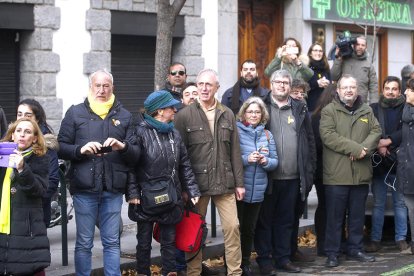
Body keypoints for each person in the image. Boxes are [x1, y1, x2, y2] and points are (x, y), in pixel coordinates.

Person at [57, 69, 137, 276]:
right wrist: (79, 150)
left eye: (106, 85)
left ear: (112, 88)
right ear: (90, 87)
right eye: (97, 85)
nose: (101, 90)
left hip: (112, 189)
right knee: (84, 243)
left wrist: (123, 146)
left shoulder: (125, 116)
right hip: (84, 189)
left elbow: (136, 154)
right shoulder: (75, 113)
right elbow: (60, 146)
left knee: (112, 242)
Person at [175, 68, 245, 276]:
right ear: (196, 86)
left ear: (217, 88)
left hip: (225, 181)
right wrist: (184, 188)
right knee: (194, 231)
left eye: (208, 85)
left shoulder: (227, 113)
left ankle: (235, 272)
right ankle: (193, 272)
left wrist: (239, 183)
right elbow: (180, 156)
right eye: (200, 84)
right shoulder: (184, 115)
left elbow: (235, 150)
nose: (204, 88)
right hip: (197, 185)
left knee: (233, 228)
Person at [127, 90, 200, 276]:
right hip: (145, 198)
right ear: (160, 111)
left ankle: (170, 272)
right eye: (171, 107)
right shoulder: (139, 132)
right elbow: (131, 167)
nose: (175, 110)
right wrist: (133, 193)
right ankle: (143, 272)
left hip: (171, 195)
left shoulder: (174, 134)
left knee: (169, 241)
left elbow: (184, 164)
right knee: (143, 243)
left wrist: (192, 190)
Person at [254, 69, 316, 275]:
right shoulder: (260, 106)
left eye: (285, 83)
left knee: (286, 221)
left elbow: (309, 140)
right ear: (271, 83)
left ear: (290, 86)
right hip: (267, 177)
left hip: (292, 177)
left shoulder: (299, 108)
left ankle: (283, 258)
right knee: (265, 222)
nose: (281, 85)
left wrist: (309, 169)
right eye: (277, 82)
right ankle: (265, 260)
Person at [320, 75, 381, 268]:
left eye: (352, 87)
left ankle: (355, 249)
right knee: (335, 218)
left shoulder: (367, 110)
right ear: (337, 90)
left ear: (357, 90)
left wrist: (364, 149)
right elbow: (328, 136)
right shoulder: (329, 111)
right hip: (337, 175)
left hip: (360, 174)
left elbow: (376, 131)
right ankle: (333, 252)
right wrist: (356, 149)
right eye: (345, 87)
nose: (349, 90)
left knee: (357, 216)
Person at [0, 118, 50, 275]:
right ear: (12, 135)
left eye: (27, 132)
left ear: (34, 138)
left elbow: (39, 190)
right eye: (18, 131)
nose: (22, 135)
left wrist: (22, 169)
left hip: (27, 230)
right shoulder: (2, 157)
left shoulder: (40, 159)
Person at [236, 97, 278, 276]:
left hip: (258, 190)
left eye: (257, 112)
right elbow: (230, 159)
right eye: (250, 111)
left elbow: (275, 162)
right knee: (235, 229)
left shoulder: (267, 135)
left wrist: (265, 161)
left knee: (249, 229)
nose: (253, 114)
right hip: (239, 189)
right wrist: (247, 159)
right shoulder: (236, 132)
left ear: (262, 115)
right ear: (244, 113)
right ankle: (233, 264)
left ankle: (245, 263)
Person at [365, 76, 408, 253]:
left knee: (400, 203)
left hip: (399, 162)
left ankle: (401, 239)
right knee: (378, 203)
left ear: (399, 91)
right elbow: (368, 131)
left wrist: (388, 141)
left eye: (394, 89)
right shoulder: (373, 109)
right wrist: (378, 144)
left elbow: (406, 130)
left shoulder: (406, 108)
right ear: (382, 90)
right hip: (379, 163)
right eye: (388, 88)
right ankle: (375, 239)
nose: (391, 92)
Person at [16, 99, 60, 228]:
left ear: (37, 119)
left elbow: (51, 181)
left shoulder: (46, 145)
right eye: (19, 114)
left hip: (36, 213)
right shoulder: (10, 142)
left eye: (28, 115)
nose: (22, 118)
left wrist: (32, 200)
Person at [310, 84, 337, 256]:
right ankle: (323, 244)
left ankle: (334, 243)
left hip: (337, 169)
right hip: (322, 169)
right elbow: (318, 144)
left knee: (334, 207)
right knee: (326, 206)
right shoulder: (317, 117)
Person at [331, 35, 378, 103]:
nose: (360, 47)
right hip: (342, 103)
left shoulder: (369, 65)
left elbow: (373, 86)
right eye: (358, 44)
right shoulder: (343, 60)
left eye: (363, 45)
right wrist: (338, 59)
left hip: (361, 105)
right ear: (353, 45)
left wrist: (374, 104)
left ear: (366, 47)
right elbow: (333, 76)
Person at [396, 77, 414, 255]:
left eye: (409, 89)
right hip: (407, 168)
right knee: (411, 207)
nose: (405, 92)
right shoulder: (407, 111)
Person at [307, 42, 331, 112]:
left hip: (325, 106)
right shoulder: (306, 68)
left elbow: (331, 86)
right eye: (315, 50)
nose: (318, 53)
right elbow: (302, 86)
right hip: (310, 106)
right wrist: (317, 83)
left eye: (320, 51)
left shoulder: (326, 68)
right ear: (310, 53)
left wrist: (327, 84)